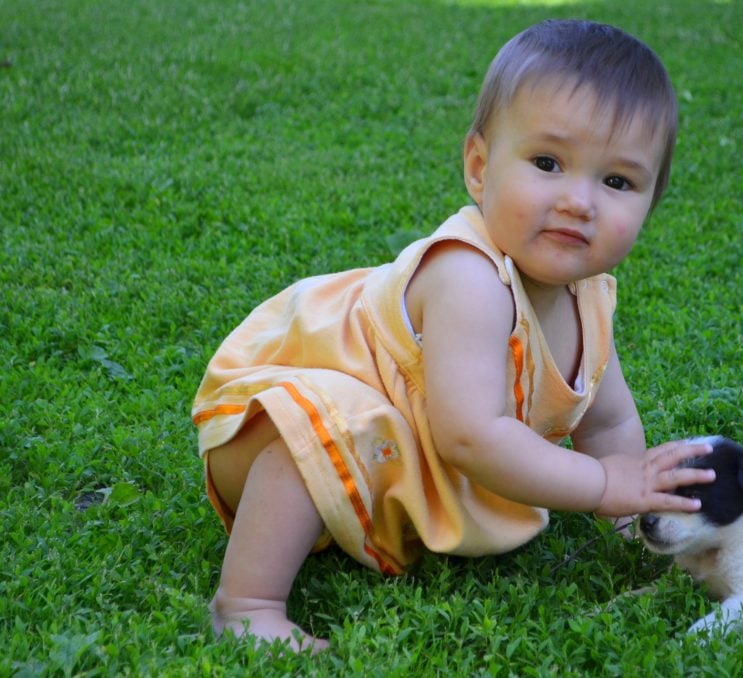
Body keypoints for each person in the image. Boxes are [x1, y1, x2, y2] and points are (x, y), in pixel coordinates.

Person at [191, 18, 716, 653]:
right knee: (330, 422)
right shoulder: (469, 278)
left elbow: (605, 423)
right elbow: (470, 435)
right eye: (548, 163)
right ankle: (247, 603)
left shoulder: (592, 296)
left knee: (368, 432)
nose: (580, 201)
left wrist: (633, 506)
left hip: (387, 459)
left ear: (651, 201)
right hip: (265, 428)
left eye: (617, 182)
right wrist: (602, 487)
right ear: (479, 166)